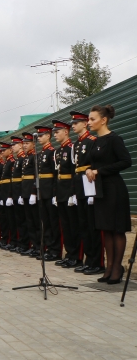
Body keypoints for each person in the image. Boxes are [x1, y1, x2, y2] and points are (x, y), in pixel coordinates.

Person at [86, 105, 132, 284]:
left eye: (92, 119)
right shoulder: (95, 142)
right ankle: (109, 267)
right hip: (100, 190)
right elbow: (92, 163)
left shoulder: (114, 139)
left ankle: (117, 269)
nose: (89, 122)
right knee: (106, 229)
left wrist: (99, 171)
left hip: (114, 189)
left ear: (103, 120)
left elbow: (126, 161)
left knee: (117, 229)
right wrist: (90, 170)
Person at [70, 111, 104, 275]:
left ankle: (97, 262)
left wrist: (93, 192)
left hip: (89, 184)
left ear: (84, 124)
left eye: (76, 123)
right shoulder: (77, 144)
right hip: (79, 184)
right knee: (83, 225)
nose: (73, 126)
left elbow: (94, 165)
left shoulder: (91, 141)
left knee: (93, 225)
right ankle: (89, 260)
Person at [51, 120, 82, 268]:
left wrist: (73, 192)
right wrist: (56, 194)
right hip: (61, 191)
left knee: (73, 225)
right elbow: (57, 174)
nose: (55, 135)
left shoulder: (71, 148)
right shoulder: (58, 151)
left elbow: (73, 172)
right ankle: (69, 254)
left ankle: (76, 256)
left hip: (70, 190)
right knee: (65, 225)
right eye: (54, 132)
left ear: (66, 132)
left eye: (57, 132)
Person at [34, 126, 61, 261]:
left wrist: (55, 193)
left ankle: (56, 250)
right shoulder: (41, 153)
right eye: (38, 136)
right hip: (43, 193)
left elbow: (55, 174)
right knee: (46, 223)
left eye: (41, 135)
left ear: (48, 136)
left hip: (50, 192)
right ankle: (49, 248)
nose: (39, 138)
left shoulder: (52, 152)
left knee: (53, 222)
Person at [20, 132, 41, 257]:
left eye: (27, 143)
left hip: (32, 193)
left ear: (33, 144)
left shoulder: (35, 157)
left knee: (36, 221)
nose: (25, 145)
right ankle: (34, 245)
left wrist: (33, 192)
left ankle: (39, 246)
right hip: (26, 192)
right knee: (29, 221)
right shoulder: (26, 158)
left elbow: (36, 176)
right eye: (24, 143)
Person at [10, 137, 28, 253]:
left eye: (15, 145)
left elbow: (24, 179)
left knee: (24, 220)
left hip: (22, 193)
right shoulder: (18, 160)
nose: (13, 147)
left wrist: (22, 194)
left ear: (20, 145)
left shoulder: (22, 159)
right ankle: (22, 243)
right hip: (17, 193)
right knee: (19, 220)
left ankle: (25, 244)